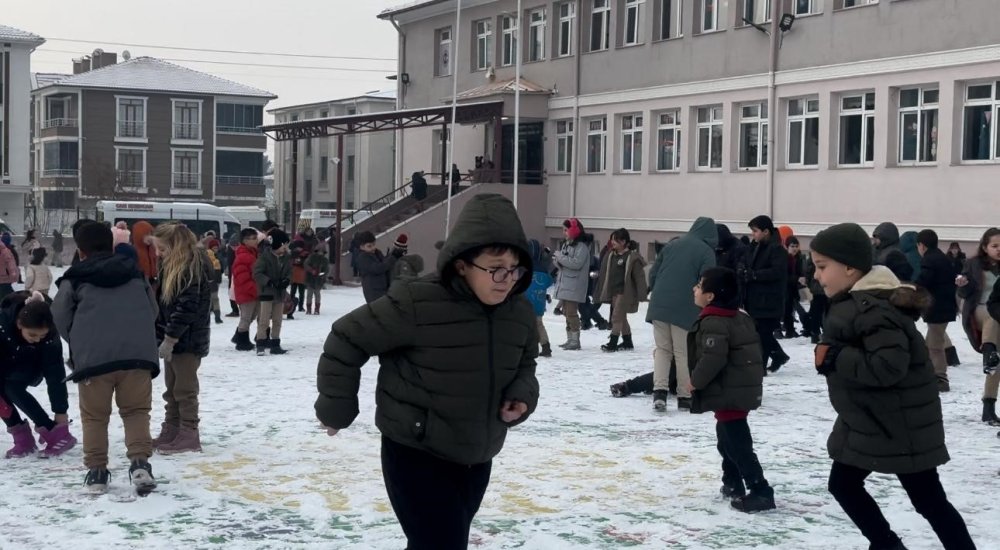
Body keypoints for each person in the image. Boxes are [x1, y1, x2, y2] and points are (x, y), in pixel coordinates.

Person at [315, 194, 538, 550]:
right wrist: (337, 409)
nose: (506, 279)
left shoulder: (519, 312)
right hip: (416, 452)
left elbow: (526, 364)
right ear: (462, 265)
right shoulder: (416, 302)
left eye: (515, 269)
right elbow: (346, 339)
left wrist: (522, 396)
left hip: (477, 455)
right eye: (496, 267)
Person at [810, 222, 976, 550]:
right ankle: (886, 544)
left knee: (929, 502)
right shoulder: (857, 303)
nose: (816, 276)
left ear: (849, 268)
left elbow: (888, 367)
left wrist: (835, 357)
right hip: (869, 420)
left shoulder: (873, 310)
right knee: (844, 485)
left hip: (898, 426)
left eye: (821, 267)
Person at [51, 222, 159, 495]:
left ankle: (97, 472)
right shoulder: (134, 273)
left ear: (81, 250)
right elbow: (152, 309)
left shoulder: (74, 278)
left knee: (95, 417)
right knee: (136, 412)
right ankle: (140, 465)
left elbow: (60, 316)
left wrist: (80, 340)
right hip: (137, 356)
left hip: (93, 361)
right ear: (111, 244)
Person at [688, 267, 773, 512]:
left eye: (700, 285)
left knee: (738, 444)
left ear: (711, 296)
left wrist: (695, 381)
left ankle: (761, 490)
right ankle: (733, 482)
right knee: (726, 441)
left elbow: (712, 358)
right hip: (735, 391)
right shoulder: (738, 316)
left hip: (729, 391)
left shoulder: (715, 321)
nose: (695, 289)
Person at [150, 223, 212, 454]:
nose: (157, 254)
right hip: (174, 339)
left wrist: (170, 338)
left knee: (185, 389)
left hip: (186, 341)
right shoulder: (172, 267)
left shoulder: (190, 269)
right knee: (171, 387)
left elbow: (187, 308)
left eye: (162, 249)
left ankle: (189, 432)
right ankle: (172, 427)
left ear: (175, 247)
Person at [647, 217, 717, 410]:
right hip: (686, 307)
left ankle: (659, 393)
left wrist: (656, 291)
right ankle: (685, 396)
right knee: (683, 352)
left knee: (663, 350)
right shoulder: (706, 252)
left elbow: (653, 273)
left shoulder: (673, 245)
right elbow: (708, 281)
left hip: (659, 304)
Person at [0, 291, 77, 458]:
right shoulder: (3, 325)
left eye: (41, 335)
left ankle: (56, 433)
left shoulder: (49, 337)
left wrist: (60, 411)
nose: (38, 339)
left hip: (32, 362)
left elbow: (55, 375)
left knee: (12, 387)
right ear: (19, 325)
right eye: (32, 335)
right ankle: (23, 439)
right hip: (5, 360)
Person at [957, 227, 1000, 425]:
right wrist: (963, 284)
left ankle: (988, 408)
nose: (999, 249)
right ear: (985, 247)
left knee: (996, 365)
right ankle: (988, 350)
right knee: (993, 317)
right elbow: (965, 295)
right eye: (995, 246)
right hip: (980, 311)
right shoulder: (974, 264)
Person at [740, 216, 789, 374]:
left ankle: (760, 367)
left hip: (769, 300)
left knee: (763, 334)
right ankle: (778, 356)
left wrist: (755, 275)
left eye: (755, 231)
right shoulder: (755, 247)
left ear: (766, 231)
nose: (753, 234)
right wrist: (743, 270)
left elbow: (777, 272)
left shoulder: (777, 249)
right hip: (754, 299)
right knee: (760, 333)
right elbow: (744, 261)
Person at [915, 230, 959, 392]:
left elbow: (924, 280)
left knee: (935, 346)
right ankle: (930, 375)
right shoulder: (942, 257)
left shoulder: (930, 260)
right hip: (946, 306)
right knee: (932, 343)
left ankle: (940, 379)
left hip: (937, 308)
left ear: (922, 245)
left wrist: (911, 287)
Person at [595, 229, 648, 353]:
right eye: (612, 239)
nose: (612, 242)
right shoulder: (611, 255)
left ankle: (613, 342)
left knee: (616, 317)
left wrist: (642, 293)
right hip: (614, 291)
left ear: (624, 241)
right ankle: (628, 341)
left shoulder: (631, 258)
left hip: (625, 292)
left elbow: (639, 277)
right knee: (621, 317)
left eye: (615, 240)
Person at [553, 218, 593, 351]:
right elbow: (565, 264)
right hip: (566, 284)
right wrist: (557, 261)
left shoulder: (581, 247)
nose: (564, 233)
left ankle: (575, 340)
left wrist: (560, 257)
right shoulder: (567, 244)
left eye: (566, 230)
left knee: (571, 312)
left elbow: (576, 263)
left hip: (574, 285)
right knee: (566, 312)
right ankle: (570, 338)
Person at [253, 229, 292, 355]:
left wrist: (287, 280)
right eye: (284, 244)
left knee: (278, 320)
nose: (286, 247)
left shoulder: (286, 258)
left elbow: (289, 272)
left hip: (279, 293)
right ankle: (260, 344)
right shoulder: (265, 257)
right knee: (264, 320)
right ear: (278, 244)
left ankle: (276, 344)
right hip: (267, 292)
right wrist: (269, 282)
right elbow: (257, 273)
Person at [231, 228, 260, 352]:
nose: (256, 240)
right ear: (244, 241)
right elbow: (242, 277)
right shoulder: (243, 256)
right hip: (246, 292)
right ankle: (242, 341)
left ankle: (238, 337)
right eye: (252, 238)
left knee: (251, 316)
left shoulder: (253, 253)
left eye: (256, 237)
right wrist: (254, 289)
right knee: (246, 317)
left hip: (253, 291)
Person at [356, 231, 402, 304]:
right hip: (373, 291)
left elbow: (385, 263)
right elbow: (377, 268)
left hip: (384, 288)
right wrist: (393, 257)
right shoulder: (363, 257)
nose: (373, 248)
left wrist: (394, 254)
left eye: (374, 244)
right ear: (362, 247)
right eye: (369, 246)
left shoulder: (377, 253)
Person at [527, 239, 555, 358]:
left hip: (525, 302)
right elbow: (549, 282)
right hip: (539, 302)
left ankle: (529, 348)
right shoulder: (543, 270)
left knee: (526, 325)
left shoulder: (524, 269)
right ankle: (546, 346)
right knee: (539, 325)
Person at [781, 237, 810, 339]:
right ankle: (788, 330)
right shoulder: (783, 258)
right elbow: (783, 275)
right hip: (784, 288)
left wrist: (802, 278)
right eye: (792, 246)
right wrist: (798, 278)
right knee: (787, 309)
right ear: (786, 246)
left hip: (794, 287)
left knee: (791, 309)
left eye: (796, 246)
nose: (794, 249)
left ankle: (790, 329)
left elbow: (800, 271)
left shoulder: (799, 258)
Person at [203, 238, 224, 324]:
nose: (216, 249)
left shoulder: (205, 256)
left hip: (210, 281)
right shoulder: (215, 258)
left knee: (211, 299)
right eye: (214, 248)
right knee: (214, 299)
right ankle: (217, 317)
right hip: (212, 281)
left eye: (216, 248)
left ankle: (211, 316)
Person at [304, 245, 330, 315]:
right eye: (319, 251)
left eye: (322, 252)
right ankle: (308, 309)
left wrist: (321, 275)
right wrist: (311, 270)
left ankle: (317, 309)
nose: (320, 253)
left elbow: (326, 270)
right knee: (309, 294)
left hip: (319, 280)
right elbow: (306, 265)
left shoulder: (325, 260)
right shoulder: (311, 258)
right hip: (310, 279)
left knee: (317, 295)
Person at [131, 220, 158, 284]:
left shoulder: (153, 249)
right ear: (139, 235)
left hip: (153, 281)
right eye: (147, 234)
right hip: (140, 282)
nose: (150, 237)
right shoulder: (133, 252)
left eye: (151, 234)